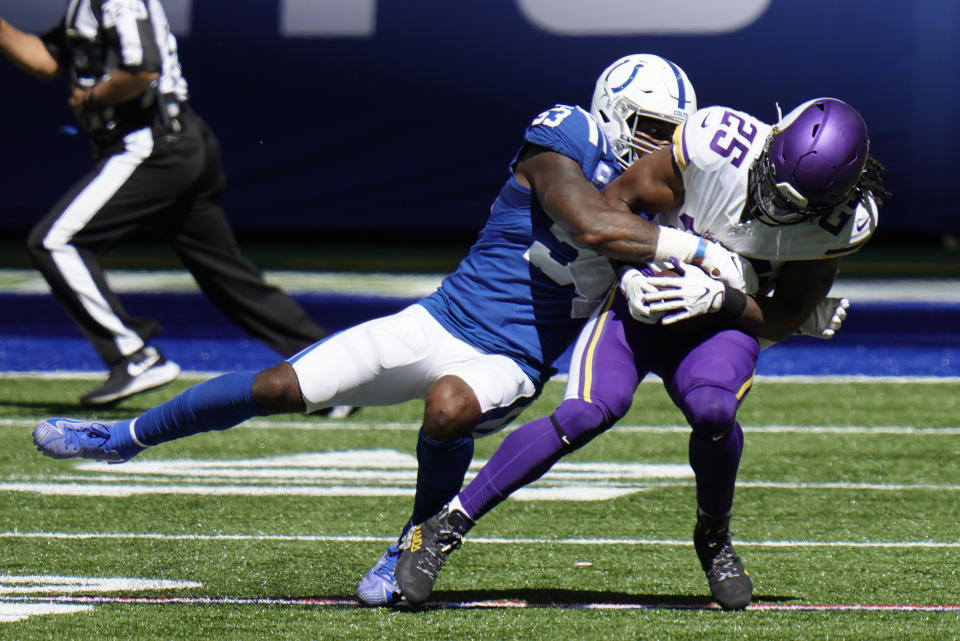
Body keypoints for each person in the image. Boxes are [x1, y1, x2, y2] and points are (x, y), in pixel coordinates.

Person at [31, 53, 752, 600]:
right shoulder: (563, 134)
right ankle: (124, 438)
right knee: (280, 386)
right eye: (653, 129)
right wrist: (694, 249)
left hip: (513, 359)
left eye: (671, 136)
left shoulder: (672, 199)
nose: (661, 147)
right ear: (615, 112)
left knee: (449, 406)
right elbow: (592, 223)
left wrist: (746, 283)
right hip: (442, 317)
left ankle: (413, 539)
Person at [393, 97, 889, 610]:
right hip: (640, 300)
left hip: (718, 321)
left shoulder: (844, 223)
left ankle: (714, 535)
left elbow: (785, 315)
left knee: (715, 410)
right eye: (772, 186)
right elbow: (614, 205)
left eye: (796, 206)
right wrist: (629, 273)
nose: (775, 207)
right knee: (585, 412)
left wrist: (724, 299)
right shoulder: (717, 144)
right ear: (771, 141)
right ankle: (445, 527)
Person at [0, 3, 327, 406]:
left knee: (55, 241)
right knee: (228, 279)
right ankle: (334, 374)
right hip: (175, 142)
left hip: (152, 145)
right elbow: (49, 60)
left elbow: (142, 68)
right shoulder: (85, 6)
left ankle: (134, 357)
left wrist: (91, 100)